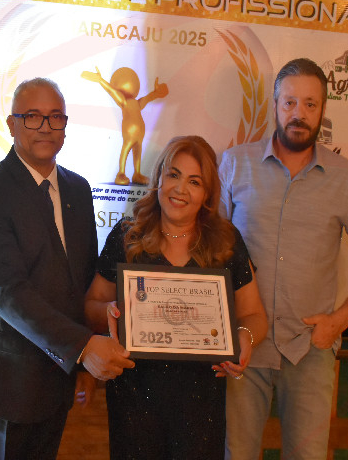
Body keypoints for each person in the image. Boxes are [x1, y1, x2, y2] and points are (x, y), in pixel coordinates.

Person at [0, 78, 135, 460]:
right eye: (33, 116)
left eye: (55, 117)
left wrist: (82, 364)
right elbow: (8, 294)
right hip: (2, 385)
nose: (46, 127)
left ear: (65, 126)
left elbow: (81, 284)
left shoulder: (78, 190)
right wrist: (83, 348)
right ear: (12, 124)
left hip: (57, 381)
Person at [220, 58, 348, 460]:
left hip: (310, 349)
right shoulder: (235, 164)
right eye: (290, 102)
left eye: (310, 104)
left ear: (323, 109)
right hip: (244, 346)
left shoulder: (345, 177)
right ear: (275, 105)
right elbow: (210, 256)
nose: (299, 113)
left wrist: (339, 321)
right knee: (236, 454)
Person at [85, 135, 268, 460]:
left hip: (201, 405)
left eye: (194, 181)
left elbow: (255, 316)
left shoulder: (226, 242)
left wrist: (245, 336)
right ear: (159, 178)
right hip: (134, 400)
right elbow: (91, 306)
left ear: (207, 193)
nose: (180, 189)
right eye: (173, 175)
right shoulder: (127, 235)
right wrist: (110, 312)